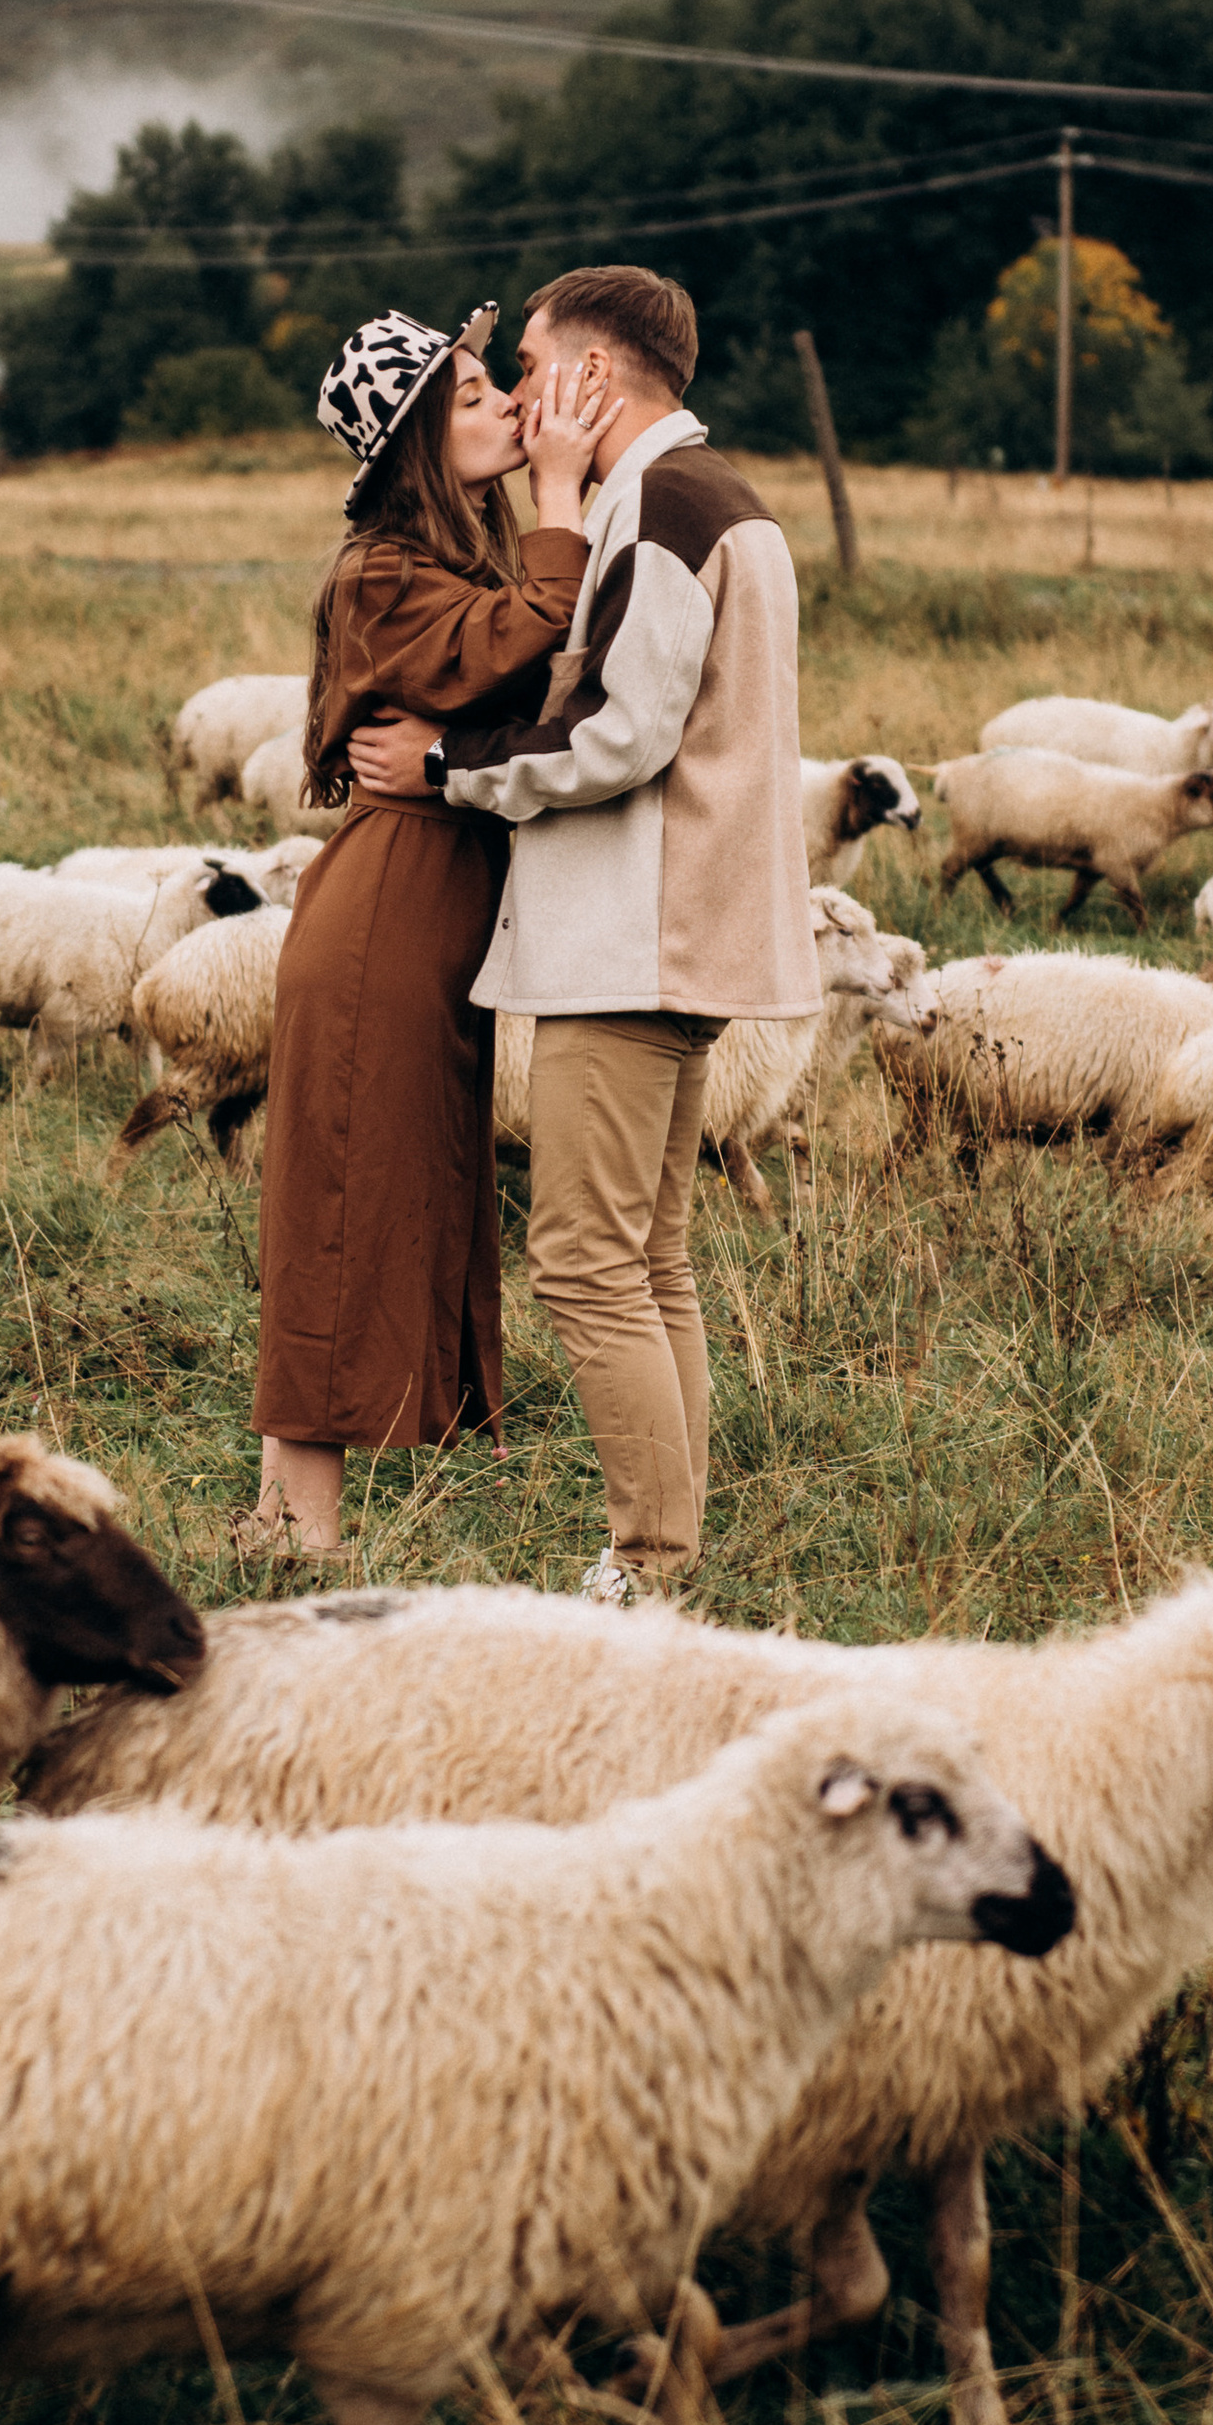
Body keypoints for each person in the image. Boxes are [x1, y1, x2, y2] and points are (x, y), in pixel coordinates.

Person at [349, 263, 817, 1599]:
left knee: (582, 1262)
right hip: (680, 928)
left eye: (531, 363)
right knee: (649, 1257)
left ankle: (650, 1562)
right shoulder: (715, 500)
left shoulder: (663, 508)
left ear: (592, 374)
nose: (517, 392)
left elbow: (616, 732)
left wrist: (445, 764)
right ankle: (668, 1549)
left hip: (633, 933)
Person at [242, 302, 614, 1558]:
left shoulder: (443, 559)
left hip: (426, 904)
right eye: (468, 396)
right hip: (388, 912)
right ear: (413, 443)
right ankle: (304, 1531)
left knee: (371, 1182)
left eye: (490, 381)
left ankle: (273, 1515)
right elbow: (519, 638)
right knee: (347, 1193)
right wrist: (558, 494)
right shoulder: (384, 569)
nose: (505, 402)